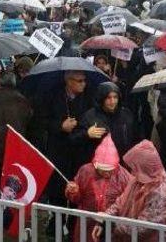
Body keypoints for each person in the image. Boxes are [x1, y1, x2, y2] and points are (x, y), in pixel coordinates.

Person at [92, 140, 166, 242]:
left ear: (144, 167)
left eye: (135, 167)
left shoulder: (161, 193)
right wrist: (105, 219)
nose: (132, 171)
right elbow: (120, 203)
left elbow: (142, 228)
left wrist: (110, 225)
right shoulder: (139, 180)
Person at [43, 71, 95, 229]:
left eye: (84, 80)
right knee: (58, 189)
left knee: (77, 189)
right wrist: (61, 126)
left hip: (79, 152)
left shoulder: (88, 98)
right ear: (68, 81)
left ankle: (73, 226)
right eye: (79, 81)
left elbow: (91, 121)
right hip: (58, 150)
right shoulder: (53, 96)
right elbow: (43, 120)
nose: (83, 84)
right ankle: (56, 223)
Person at [65, 135, 132, 242]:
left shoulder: (124, 176)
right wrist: (73, 191)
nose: (106, 173)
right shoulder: (85, 171)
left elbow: (129, 203)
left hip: (112, 226)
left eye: (109, 170)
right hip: (86, 223)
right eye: (102, 170)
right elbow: (76, 199)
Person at [79, 82, 136, 159]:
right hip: (101, 164)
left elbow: (135, 136)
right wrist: (87, 134)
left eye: (115, 97)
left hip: (124, 160)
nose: (112, 102)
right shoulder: (90, 116)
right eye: (108, 98)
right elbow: (74, 138)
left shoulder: (126, 114)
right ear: (102, 98)